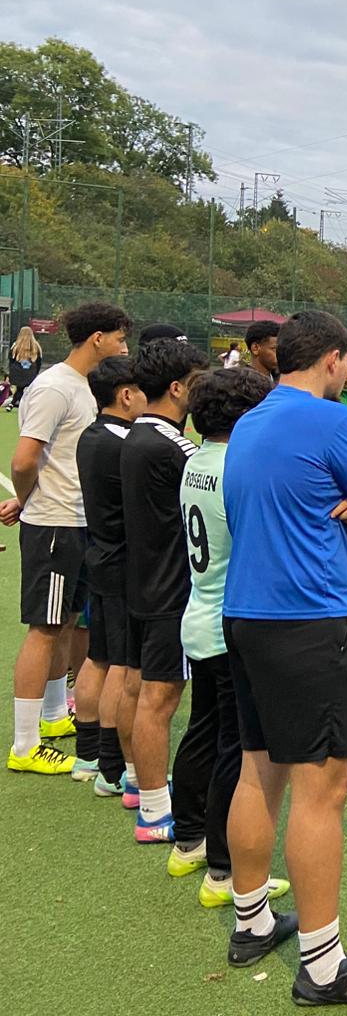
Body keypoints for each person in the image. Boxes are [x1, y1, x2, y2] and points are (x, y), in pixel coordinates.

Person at [221, 310, 347, 1003]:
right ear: (331, 359)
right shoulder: (332, 422)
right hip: (307, 620)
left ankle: (251, 922)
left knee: (256, 770)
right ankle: (325, 967)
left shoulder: (250, 418)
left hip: (244, 616)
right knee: (322, 790)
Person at [173, 366, 291, 908]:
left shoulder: (196, 459)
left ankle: (188, 838)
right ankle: (223, 868)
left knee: (203, 730)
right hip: (229, 621)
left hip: (199, 613)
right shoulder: (236, 468)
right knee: (234, 749)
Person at [5, 302, 130, 777]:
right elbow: (23, 459)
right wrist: (29, 499)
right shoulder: (55, 386)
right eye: (118, 338)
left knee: (66, 620)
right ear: (96, 338)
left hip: (78, 522)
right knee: (43, 627)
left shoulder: (83, 386)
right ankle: (24, 743)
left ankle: (56, 716)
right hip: (55, 523)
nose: (123, 347)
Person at [122, 336, 213, 842]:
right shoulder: (175, 447)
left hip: (141, 584)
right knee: (160, 700)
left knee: (142, 692)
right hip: (170, 593)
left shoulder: (135, 436)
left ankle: (142, 785)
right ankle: (156, 813)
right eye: (196, 386)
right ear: (177, 389)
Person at [75, 356, 146, 797]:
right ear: (125, 394)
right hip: (122, 564)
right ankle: (113, 769)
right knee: (120, 665)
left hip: (99, 556)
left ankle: (90, 756)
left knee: (98, 657)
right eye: (143, 390)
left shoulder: (91, 434)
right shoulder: (125, 443)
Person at [8, 324, 43, 411]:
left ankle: (13, 403)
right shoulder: (36, 346)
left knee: (20, 388)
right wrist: (36, 372)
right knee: (23, 389)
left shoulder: (15, 345)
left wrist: (11, 370)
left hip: (17, 371)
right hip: (30, 371)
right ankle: (15, 403)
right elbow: (39, 360)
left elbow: (10, 358)